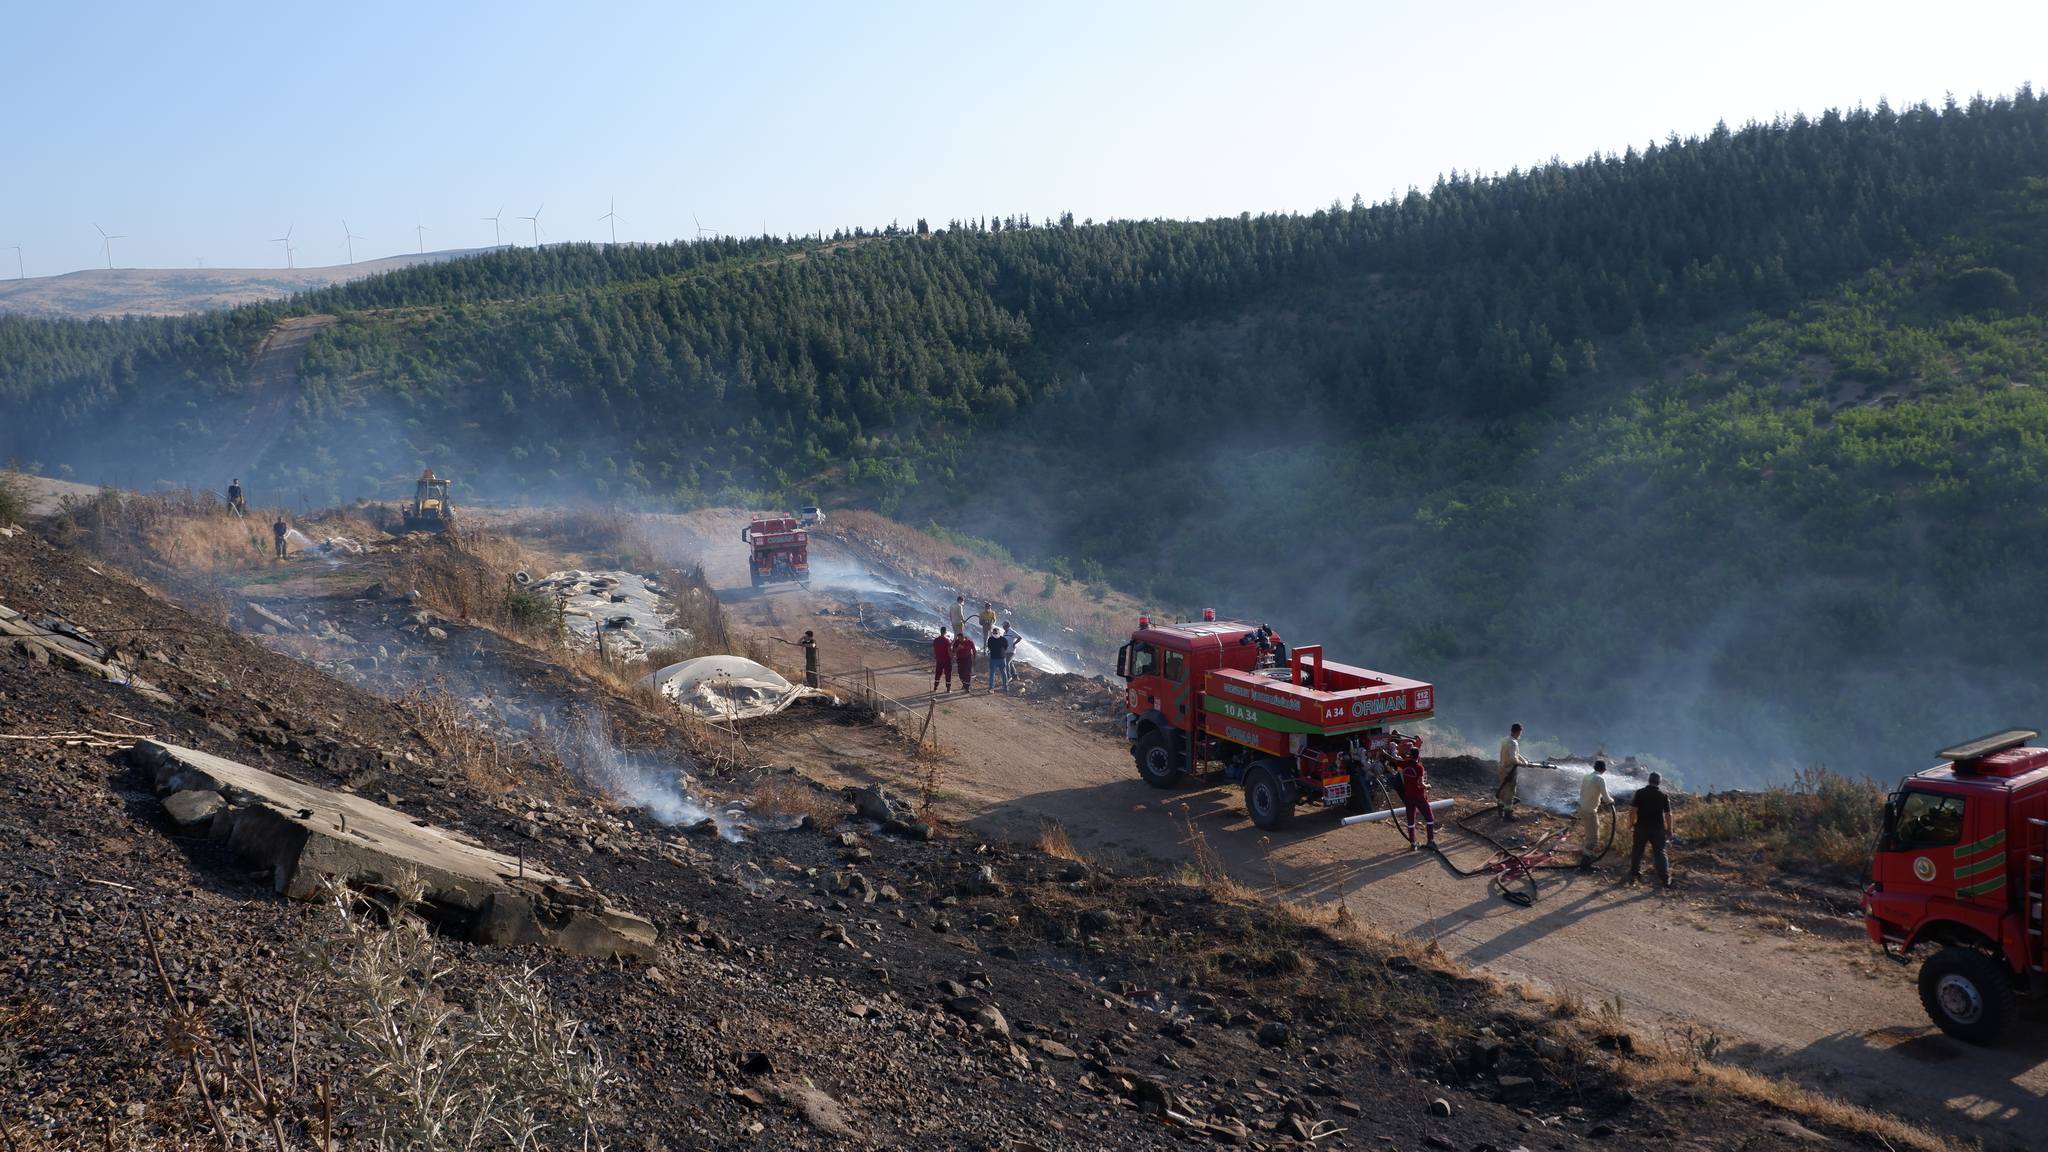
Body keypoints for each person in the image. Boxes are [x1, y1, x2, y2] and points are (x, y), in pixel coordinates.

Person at [1628, 771, 1675, 889]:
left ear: (1648, 780)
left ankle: (1634, 873)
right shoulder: (1663, 795)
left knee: (1637, 850)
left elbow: (1633, 810)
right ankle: (1665, 879)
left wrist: (1631, 823)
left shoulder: (1640, 793)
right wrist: (1669, 829)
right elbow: (1668, 814)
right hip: (1658, 829)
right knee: (1660, 852)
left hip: (1641, 827)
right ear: (1659, 782)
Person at [1397, 739, 1436, 850]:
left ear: (1410, 755)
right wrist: (1427, 786)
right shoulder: (1419, 767)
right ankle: (1430, 841)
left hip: (1408, 797)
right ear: (1418, 756)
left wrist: (1383, 753)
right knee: (1429, 818)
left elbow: (1394, 760)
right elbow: (1420, 784)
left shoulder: (1404, 764)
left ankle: (1413, 844)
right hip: (1419, 797)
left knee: (1410, 820)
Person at [1577, 759, 1613, 870]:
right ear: (1604, 770)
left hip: (1581, 807)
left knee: (1589, 835)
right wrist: (1611, 801)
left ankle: (1587, 858)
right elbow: (1606, 798)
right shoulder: (1600, 779)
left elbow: (1581, 792)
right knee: (1594, 838)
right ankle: (1585, 865)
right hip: (1590, 810)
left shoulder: (1587, 776)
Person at [1496, 723, 1529, 821]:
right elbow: (1514, 758)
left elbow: (1516, 754)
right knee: (1510, 793)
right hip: (1510, 771)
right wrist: (1523, 764)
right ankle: (1508, 815)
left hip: (1502, 769)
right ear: (1519, 732)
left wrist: (1524, 760)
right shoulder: (1514, 742)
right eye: (1520, 733)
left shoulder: (1506, 740)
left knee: (1502, 790)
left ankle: (1500, 810)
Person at [987, 626, 1013, 692]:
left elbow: (1006, 647)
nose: (995, 634)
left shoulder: (1003, 639)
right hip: (993, 659)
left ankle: (1005, 687)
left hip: (1002, 659)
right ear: (992, 633)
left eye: (996, 633)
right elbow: (989, 648)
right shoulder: (990, 639)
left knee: (1004, 673)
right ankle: (991, 688)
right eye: (994, 633)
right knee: (992, 673)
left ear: (999, 633)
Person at [931, 627, 954, 693]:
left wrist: (936, 656)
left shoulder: (936, 640)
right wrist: (952, 657)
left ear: (940, 631)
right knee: (948, 674)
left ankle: (935, 687)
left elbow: (934, 649)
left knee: (938, 673)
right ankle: (948, 689)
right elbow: (949, 650)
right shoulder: (946, 640)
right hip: (946, 660)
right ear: (945, 632)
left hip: (939, 659)